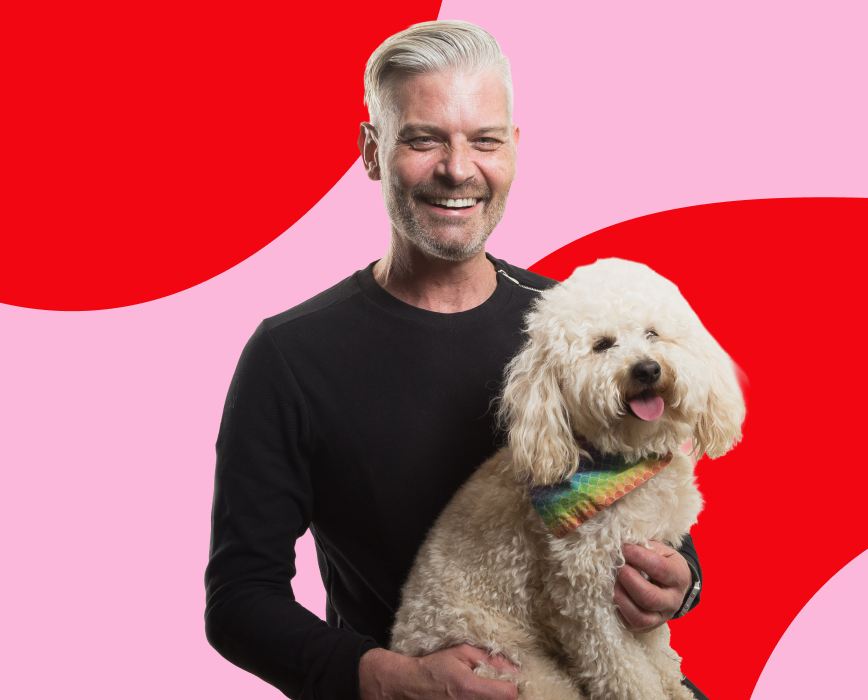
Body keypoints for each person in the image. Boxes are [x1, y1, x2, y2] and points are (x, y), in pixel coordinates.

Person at [205, 20, 707, 700]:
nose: (458, 169)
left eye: (485, 140)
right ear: (372, 150)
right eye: (423, 139)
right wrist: (387, 679)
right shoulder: (290, 356)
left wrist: (682, 581)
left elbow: (646, 480)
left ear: (514, 150)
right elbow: (239, 599)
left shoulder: (577, 325)